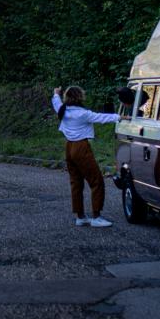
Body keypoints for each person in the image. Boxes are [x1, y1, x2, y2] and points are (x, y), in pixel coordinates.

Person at [52, 85, 120, 227]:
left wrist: (56, 93)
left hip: (69, 147)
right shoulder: (83, 113)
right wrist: (119, 117)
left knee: (76, 182)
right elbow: (101, 117)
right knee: (96, 180)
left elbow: (56, 102)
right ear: (79, 97)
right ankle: (96, 216)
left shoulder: (62, 110)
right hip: (81, 147)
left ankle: (80, 216)